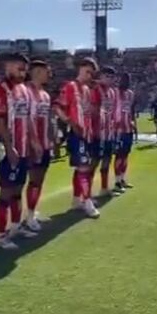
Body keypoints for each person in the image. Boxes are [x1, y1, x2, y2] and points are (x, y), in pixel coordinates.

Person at [0, 52, 37, 248]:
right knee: (6, 191)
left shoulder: (24, 90)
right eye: (19, 68)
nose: (22, 72)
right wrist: (9, 148)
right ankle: (0, 235)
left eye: (24, 69)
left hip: (25, 149)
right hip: (10, 150)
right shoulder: (1, 89)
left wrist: (34, 142)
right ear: (8, 66)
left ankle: (16, 226)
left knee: (18, 189)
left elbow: (28, 118)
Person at [56, 57, 100, 218]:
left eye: (91, 73)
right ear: (80, 69)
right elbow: (58, 106)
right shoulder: (70, 86)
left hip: (86, 134)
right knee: (84, 168)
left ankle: (76, 199)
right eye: (87, 71)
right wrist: (69, 121)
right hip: (76, 134)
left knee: (81, 168)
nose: (89, 75)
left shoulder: (87, 90)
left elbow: (87, 112)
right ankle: (87, 202)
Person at [24, 59, 54, 231]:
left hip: (44, 145)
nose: (49, 74)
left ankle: (32, 211)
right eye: (46, 71)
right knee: (32, 180)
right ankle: (27, 217)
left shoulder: (45, 94)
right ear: (36, 72)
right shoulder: (25, 92)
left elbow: (48, 118)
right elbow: (25, 119)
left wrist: (52, 138)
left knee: (39, 180)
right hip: (30, 146)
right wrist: (33, 142)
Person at [93, 66, 119, 196]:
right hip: (96, 133)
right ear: (100, 76)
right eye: (107, 76)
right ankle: (85, 195)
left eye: (112, 77)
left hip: (109, 132)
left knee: (107, 161)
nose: (109, 79)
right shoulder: (95, 89)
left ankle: (104, 188)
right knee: (93, 163)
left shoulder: (112, 92)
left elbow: (112, 112)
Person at [113, 72, 135, 192]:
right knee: (119, 156)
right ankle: (116, 182)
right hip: (118, 130)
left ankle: (122, 179)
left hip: (128, 129)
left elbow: (131, 110)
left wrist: (133, 123)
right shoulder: (115, 93)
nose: (125, 82)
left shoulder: (130, 94)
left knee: (125, 155)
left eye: (127, 80)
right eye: (123, 79)